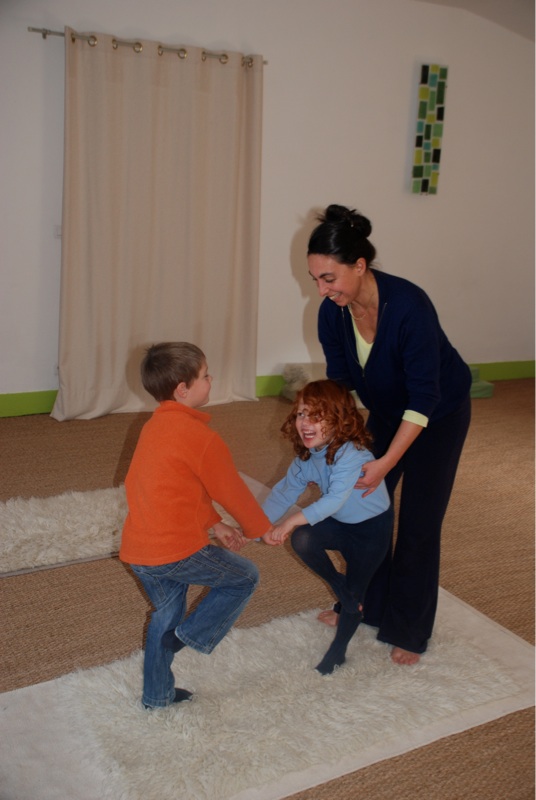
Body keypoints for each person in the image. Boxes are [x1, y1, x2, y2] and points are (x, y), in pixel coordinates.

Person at [307, 204, 472, 665]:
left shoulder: (409, 307)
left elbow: (424, 398)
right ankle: (362, 604)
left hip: (438, 415)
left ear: (360, 265)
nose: (322, 290)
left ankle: (410, 629)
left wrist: (385, 462)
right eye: (315, 279)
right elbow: (340, 384)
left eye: (329, 278)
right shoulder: (332, 313)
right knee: (364, 509)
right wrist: (330, 441)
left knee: (419, 523)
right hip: (385, 411)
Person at [119, 342, 275, 709]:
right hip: (173, 552)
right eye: (205, 376)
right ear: (183, 390)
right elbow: (231, 489)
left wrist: (214, 523)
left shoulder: (153, 427)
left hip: (139, 552)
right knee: (244, 577)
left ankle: (157, 695)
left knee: (166, 615)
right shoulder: (202, 438)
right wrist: (260, 529)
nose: (211, 380)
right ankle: (187, 637)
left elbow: (176, 488)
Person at [262, 379, 393, 675]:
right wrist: (255, 526)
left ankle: (338, 651)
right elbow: (284, 492)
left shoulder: (354, 454)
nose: (305, 423)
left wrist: (289, 520)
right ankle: (339, 586)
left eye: (317, 416)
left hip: (371, 530)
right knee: (302, 539)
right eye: (301, 414)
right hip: (340, 522)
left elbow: (333, 500)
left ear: (339, 420)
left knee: (355, 595)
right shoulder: (307, 456)